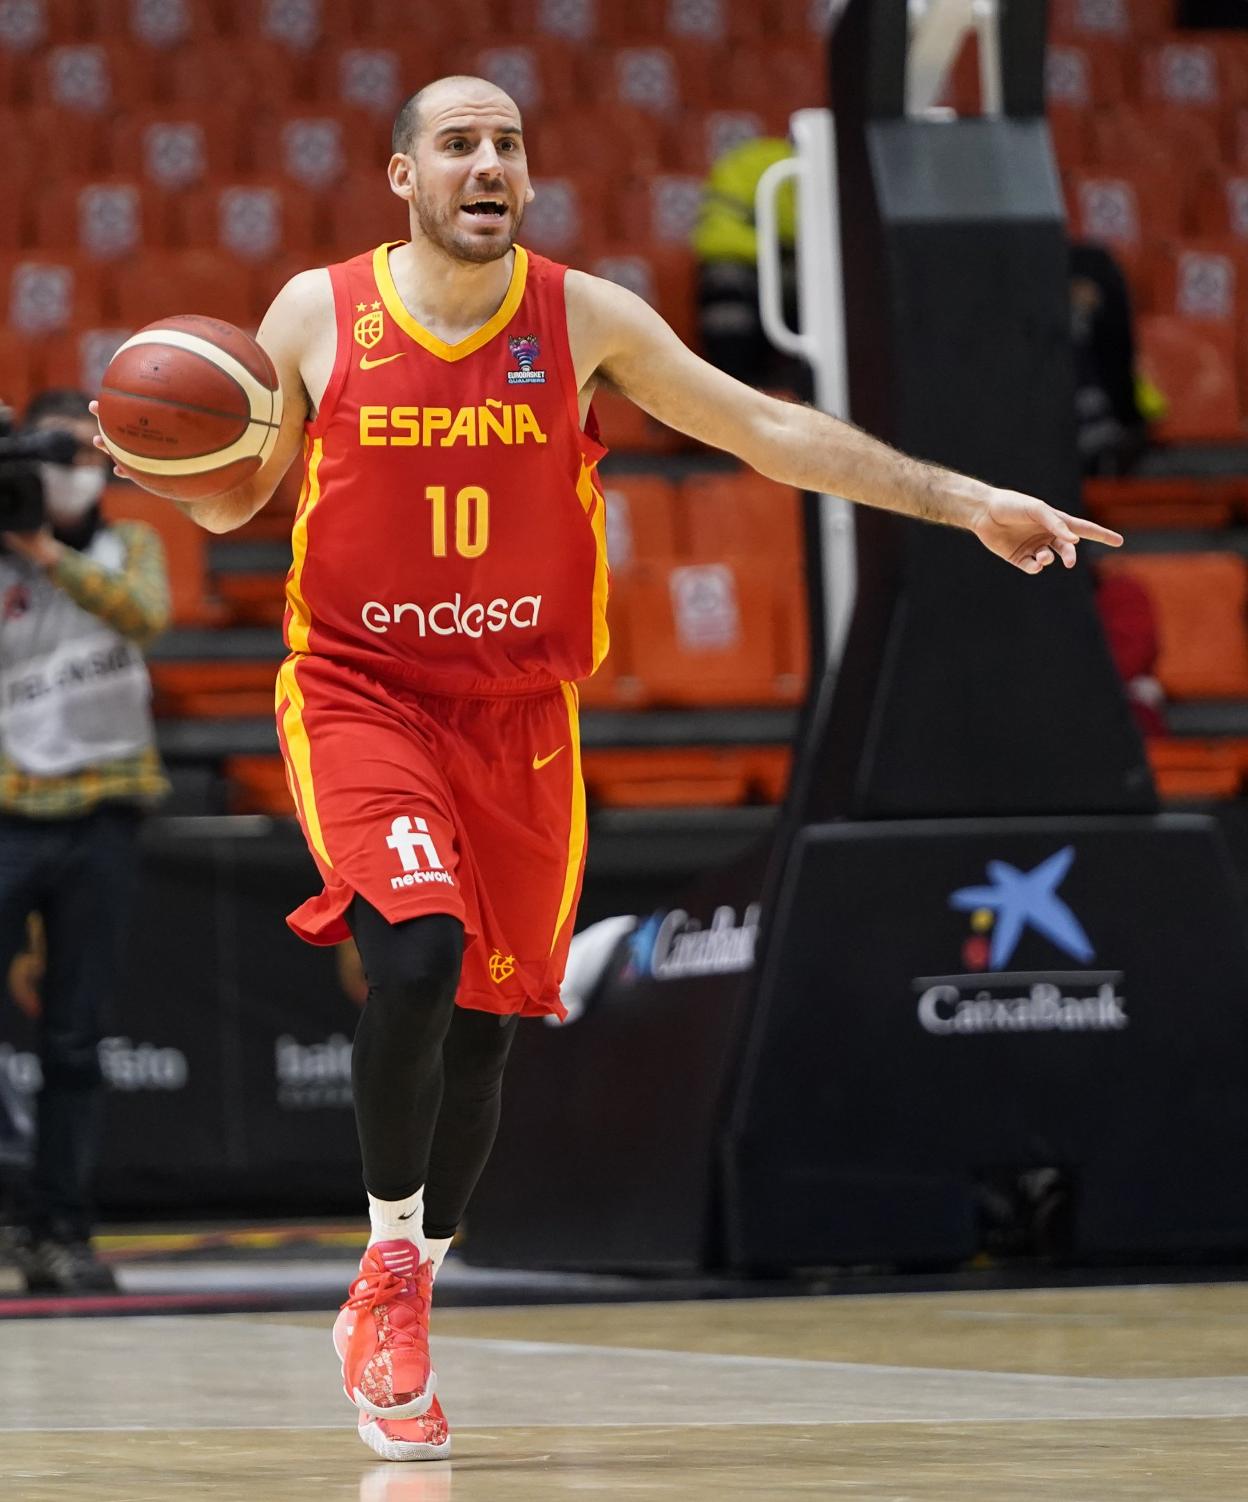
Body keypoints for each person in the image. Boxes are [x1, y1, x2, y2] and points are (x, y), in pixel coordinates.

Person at [93, 75, 1122, 1462]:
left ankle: (412, 1281)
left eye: (508, 143)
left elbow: (766, 431)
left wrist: (964, 499)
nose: (489, 162)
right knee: (412, 949)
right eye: (459, 142)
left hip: (521, 718)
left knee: (483, 1025)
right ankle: (390, 1271)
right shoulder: (314, 313)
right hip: (362, 692)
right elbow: (233, 494)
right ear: (403, 177)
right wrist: (157, 453)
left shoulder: (582, 317)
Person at [0, 388, 170, 1294]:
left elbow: (147, 615)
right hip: (7, 815)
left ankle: (59, 1228)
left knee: (74, 1039)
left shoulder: (126, 545)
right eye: (50, 456)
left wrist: (46, 556)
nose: (68, 472)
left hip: (104, 813)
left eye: (81, 455)